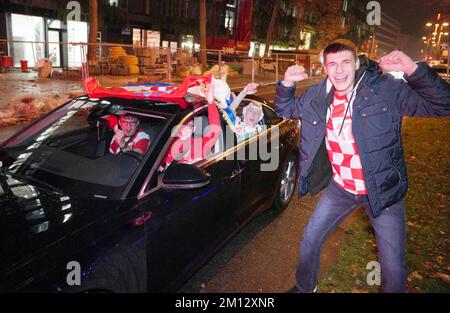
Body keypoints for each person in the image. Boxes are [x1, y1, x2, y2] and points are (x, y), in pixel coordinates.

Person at [275, 39, 450, 293]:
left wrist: (412, 68)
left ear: (356, 63)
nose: (339, 70)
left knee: (392, 269)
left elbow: (443, 104)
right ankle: (305, 288)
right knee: (310, 240)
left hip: (382, 191)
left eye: (346, 62)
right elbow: (286, 108)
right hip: (341, 188)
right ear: (325, 67)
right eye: (332, 64)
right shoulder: (319, 94)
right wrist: (287, 83)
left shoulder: (384, 89)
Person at [162, 83, 222, 166]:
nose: (185, 129)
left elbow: (215, 130)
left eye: (190, 126)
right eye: (182, 126)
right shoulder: (168, 144)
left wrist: (210, 102)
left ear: (194, 129)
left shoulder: (200, 145)